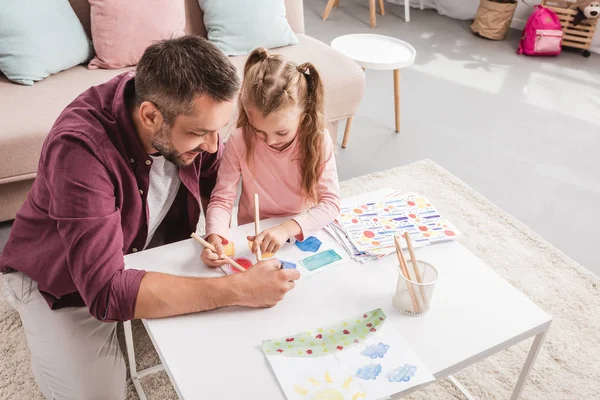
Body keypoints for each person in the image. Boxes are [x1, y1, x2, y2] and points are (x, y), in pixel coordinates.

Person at [0, 37, 300, 400]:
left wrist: (217, 234)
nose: (212, 145)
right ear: (149, 116)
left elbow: (210, 180)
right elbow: (106, 293)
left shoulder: (180, 104)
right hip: (62, 281)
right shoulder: (79, 149)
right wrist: (237, 291)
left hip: (140, 244)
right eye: (199, 133)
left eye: (217, 129)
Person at [202, 48, 341, 267]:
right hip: (253, 236)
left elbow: (330, 203)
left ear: (303, 117)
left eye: (281, 132)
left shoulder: (317, 140)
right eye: (259, 131)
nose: (270, 141)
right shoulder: (239, 140)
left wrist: (286, 228)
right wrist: (216, 237)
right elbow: (222, 199)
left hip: (301, 231)